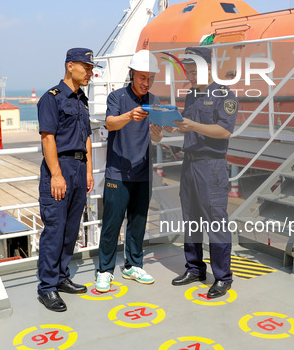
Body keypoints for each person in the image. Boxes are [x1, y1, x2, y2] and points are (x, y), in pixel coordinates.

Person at [170, 46, 238, 299]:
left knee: (216, 222)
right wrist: (177, 128)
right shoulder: (191, 95)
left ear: (208, 68)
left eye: (193, 70)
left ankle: (223, 277)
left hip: (212, 165)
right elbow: (191, 126)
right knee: (191, 219)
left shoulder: (225, 95)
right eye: (186, 70)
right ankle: (195, 268)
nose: (189, 75)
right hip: (189, 164)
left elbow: (224, 131)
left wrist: (192, 125)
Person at [95, 50, 163, 292]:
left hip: (143, 171)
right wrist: (129, 115)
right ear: (132, 74)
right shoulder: (117, 97)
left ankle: (133, 265)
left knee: (138, 222)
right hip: (118, 172)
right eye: (142, 77)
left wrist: (158, 134)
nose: (146, 83)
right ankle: (104, 270)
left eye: (151, 78)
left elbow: (159, 133)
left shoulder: (154, 101)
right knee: (112, 223)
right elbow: (110, 123)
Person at [36, 48, 96, 312]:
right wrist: (57, 174)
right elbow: (47, 137)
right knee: (55, 228)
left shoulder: (82, 99)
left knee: (72, 228)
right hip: (59, 168)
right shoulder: (52, 98)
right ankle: (47, 287)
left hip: (79, 168)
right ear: (70, 66)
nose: (90, 73)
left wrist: (89, 171)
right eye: (87, 67)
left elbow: (87, 139)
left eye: (92, 68)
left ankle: (61, 277)